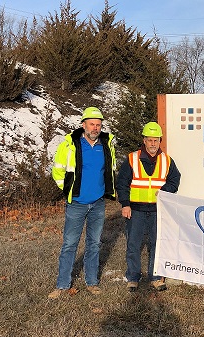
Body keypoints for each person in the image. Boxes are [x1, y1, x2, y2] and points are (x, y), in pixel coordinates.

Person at [48, 107, 116, 299]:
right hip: (76, 203)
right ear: (83, 124)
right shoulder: (70, 144)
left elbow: (109, 170)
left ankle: (92, 282)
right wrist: (68, 190)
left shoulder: (106, 144)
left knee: (94, 243)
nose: (95, 128)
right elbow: (58, 170)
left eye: (99, 125)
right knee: (70, 244)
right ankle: (62, 285)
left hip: (98, 203)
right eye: (92, 124)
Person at [116, 122, 181, 292]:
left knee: (157, 244)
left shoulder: (167, 161)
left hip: (157, 210)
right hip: (135, 209)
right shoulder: (132, 159)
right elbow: (122, 183)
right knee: (133, 244)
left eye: (156, 140)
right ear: (144, 140)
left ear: (160, 141)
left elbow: (175, 180)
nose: (153, 144)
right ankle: (133, 277)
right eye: (150, 140)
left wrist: (165, 190)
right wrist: (125, 204)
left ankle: (156, 277)